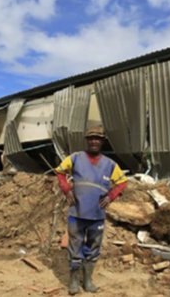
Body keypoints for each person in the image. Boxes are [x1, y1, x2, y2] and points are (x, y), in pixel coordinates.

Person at [55, 125, 127, 295]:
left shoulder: (109, 164)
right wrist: (67, 190)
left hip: (97, 215)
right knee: (75, 246)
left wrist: (110, 196)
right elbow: (59, 172)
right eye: (91, 138)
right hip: (77, 213)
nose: (94, 141)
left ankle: (87, 280)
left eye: (98, 138)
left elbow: (122, 182)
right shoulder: (75, 158)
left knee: (93, 248)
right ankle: (73, 281)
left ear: (102, 142)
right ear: (87, 140)